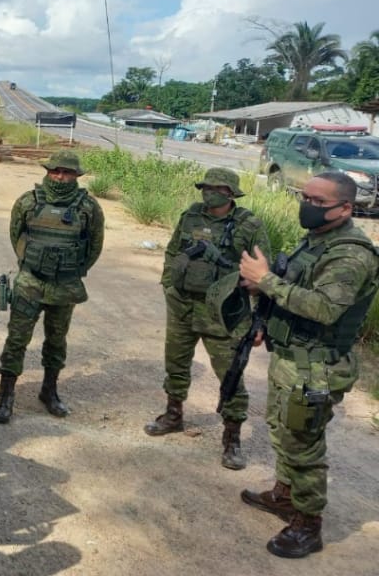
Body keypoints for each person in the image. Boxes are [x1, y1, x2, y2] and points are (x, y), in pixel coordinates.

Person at [237, 171, 378, 558]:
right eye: (305, 197)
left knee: (303, 447)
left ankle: (308, 526)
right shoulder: (317, 240)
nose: (308, 206)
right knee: (282, 431)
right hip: (292, 358)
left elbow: (325, 308)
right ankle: (285, 496)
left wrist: (266, 279)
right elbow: (295, 291)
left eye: (319, 202)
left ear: (345, 208)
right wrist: (263, 308)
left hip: (317, 367)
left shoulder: (350, 254)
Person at [144, 167, 271, 470]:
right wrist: (169, 284)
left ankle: (232, 438)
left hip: (223, 313)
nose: (209, 193)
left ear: (231, 193)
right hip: (183, 306)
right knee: (176, 364)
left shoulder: (249, 225)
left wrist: (260, 320)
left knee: (230, 375)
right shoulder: (191, 216)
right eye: (206, 187)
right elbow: (173, 251)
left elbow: (263, 274)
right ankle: (173, 415)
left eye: (217, 189)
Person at [0, 150, 104, 424]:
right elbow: (16, 236)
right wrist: (32, 262)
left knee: (56, 341)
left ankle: (49, 391)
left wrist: (69, 268)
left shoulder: (89, 207)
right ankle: (5, 396)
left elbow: (94, 246)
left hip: (64, 286)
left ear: (76, 175)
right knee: (16, 339)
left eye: (66, 172)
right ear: (47, 171)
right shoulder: (28, 201)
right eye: (55, 171)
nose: (60, 177)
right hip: (30, 282)